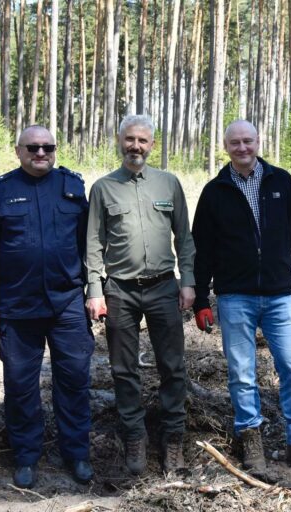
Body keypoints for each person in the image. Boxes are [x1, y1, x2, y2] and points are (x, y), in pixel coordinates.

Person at [192, 120, 291, 473]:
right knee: (241, 374)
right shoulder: (215, 191)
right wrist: (202, 299)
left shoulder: (282, 182)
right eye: (235, 142)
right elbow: (202, 250)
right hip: (235, 297)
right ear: (226, 145)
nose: (243, 147)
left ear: (258, 141)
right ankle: (250, 439)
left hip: (280, 295)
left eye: (248, 141)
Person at [0, 126, 93, 488]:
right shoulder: (0, 191)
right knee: (21, 385)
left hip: (67, 302)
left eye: (48, 147)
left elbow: (89, 244)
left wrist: (93, 292)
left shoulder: (73, 187)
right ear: (18, 150)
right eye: (33, 147)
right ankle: (25, 456)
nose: (41, 153)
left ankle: (77, 453)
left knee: (74, 381)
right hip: (18, 305)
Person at [85, 114, 195, 476]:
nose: (136, 146)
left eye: (143, 141)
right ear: (120, 141)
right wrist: (95, 290)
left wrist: (188, 281)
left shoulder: (169, 184)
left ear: (152, 144)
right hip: (120, 291)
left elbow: (185, 238)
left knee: (173, 367)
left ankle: (173, 439)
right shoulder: (102, 188)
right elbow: (93, 244)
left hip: (164, 287)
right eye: (130, 139)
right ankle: (135, 437)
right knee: (122, 369)